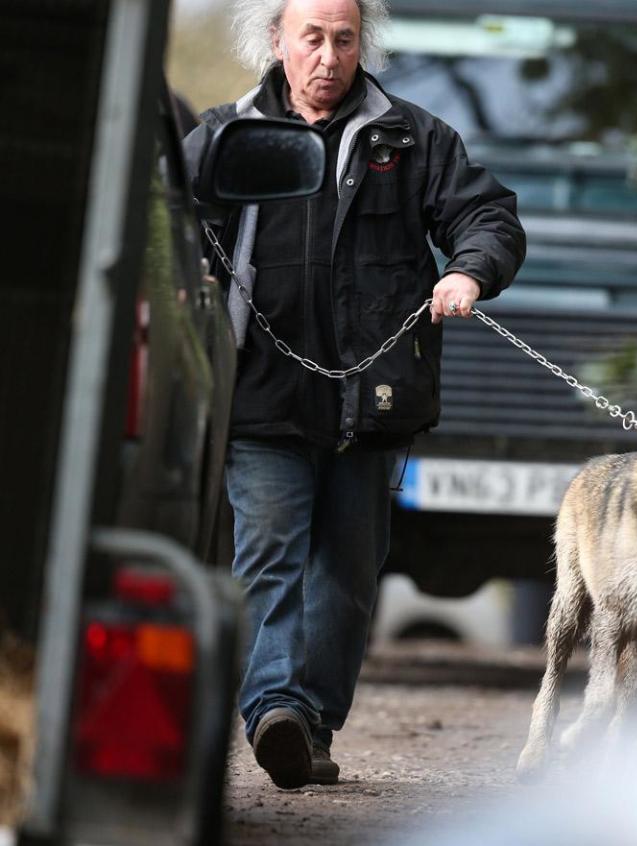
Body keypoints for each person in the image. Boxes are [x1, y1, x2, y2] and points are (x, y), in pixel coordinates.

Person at [183, 0, 525, 790]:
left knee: (345, 571)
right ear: (276, 41)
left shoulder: (413, 139)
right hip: (262, 395)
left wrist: (467, 269)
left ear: (360, 43)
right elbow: (173, 219)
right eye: (312, 38)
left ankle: (311, 721)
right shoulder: (227, 136)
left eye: (344, 39)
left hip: (374, 400)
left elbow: (488, 215)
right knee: (266, 554)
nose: (329, 56)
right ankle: (272, 706)